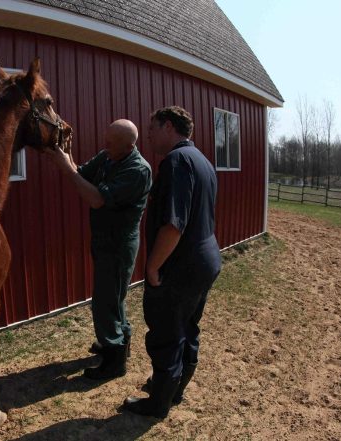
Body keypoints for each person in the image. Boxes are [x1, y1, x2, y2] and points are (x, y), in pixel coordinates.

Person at [123, 106, 222, 417]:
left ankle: (158, 403)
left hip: (182, 265)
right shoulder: (203, 161)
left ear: (168, 127)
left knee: (166, 329)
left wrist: (152, 266)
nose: (148, 134)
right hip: (206, 259)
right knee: (188, 325)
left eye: (152, 128)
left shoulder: (176, 162)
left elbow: (173, 225)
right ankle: (174, 387)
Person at [48, 119, 152, 380]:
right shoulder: (109, 157)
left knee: (106, 300)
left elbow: (96, 199)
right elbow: (81, 174)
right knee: (114, 296)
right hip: (105, 241)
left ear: (128, 146)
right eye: (105, 140)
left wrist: (64, 166)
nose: (104, 146)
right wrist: (66, 153)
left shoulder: (137, 170)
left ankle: (114, 359)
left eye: (111, 142)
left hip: (118, 245)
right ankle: (118, 342)